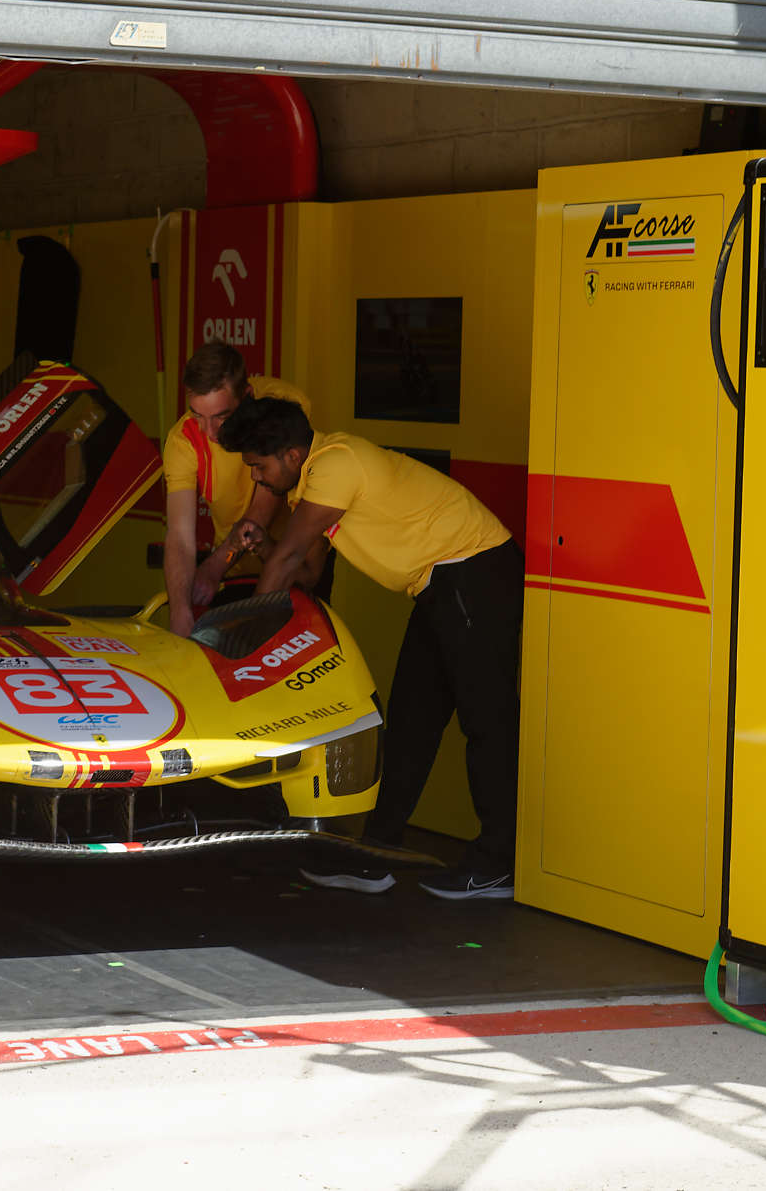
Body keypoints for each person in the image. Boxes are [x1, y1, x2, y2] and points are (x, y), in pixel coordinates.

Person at [218, 396, 522, 900]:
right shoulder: (315, 483)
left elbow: (292, 555)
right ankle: (375, 854)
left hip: (475, 572)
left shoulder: (337, 463)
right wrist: (262, 548)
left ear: (293, 456)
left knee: (486, 724)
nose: (257, 479)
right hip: (439, 585)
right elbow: (306, 571)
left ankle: (498, 864)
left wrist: (247, 641)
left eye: (259, 466)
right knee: (411, 720)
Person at [159, 343, 315, 637]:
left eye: (221, 416)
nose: (210, 431)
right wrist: (179, 613)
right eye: (198, 416)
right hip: (233, 569)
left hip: (296, 564)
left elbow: (264, 507)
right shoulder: (182, 440)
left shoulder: (283, 404)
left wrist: (215, 565)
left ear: (247, 397)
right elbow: (179, 535)